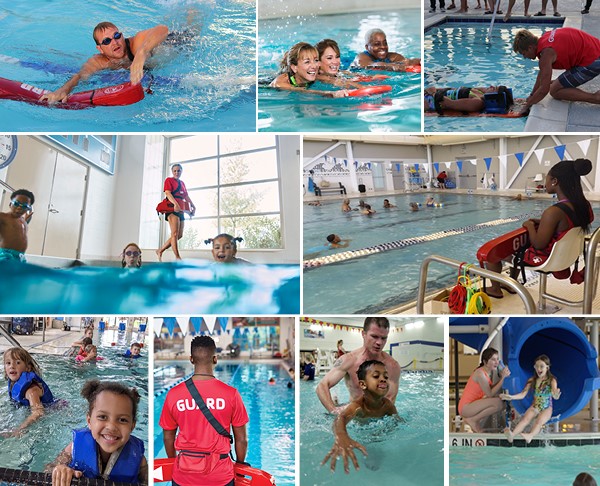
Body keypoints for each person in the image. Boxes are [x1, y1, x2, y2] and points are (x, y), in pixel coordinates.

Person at [485, 159, 594, 298]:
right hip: (567, 257)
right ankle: (510, 283)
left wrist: (530, 226)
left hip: (547, 259)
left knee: (493, 252)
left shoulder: (553, 212)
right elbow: (569, 225)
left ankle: (495, 289)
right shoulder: (584, 205)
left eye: (547, 179)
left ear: (554, 181)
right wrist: (545, 224)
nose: (545, 182)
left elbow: (538, 243)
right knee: (518, 247)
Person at [159, 336, 249, 486]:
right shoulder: (231, 394)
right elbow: (241, 440)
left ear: (191, 359)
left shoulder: (173, 394)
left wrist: (174, 462)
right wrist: (240, 464)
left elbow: (168, 437)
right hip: (220, 477)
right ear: (215, 359)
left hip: (184, 476)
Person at [40, 22, 169, 104]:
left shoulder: (135, 45)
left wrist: (141, 53)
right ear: (100, 49)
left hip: (178, 44)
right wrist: (63, 90)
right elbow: (80, 76)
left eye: (117, 36)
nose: (115, 42)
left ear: (122, 36)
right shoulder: (99, 61)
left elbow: (163, 29)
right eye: (107, 41)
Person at [49, 380, 147, 485]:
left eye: (122, 420)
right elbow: (49, 470)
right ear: (89, 421)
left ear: (132, 426)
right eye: (102, 417)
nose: (111, 427)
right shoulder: (73, 449)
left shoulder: (139, 459)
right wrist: (60, 470)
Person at [321, 360, 398, 473]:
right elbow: (340, 419)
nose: (383, 379)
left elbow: (396, 422)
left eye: (386, 377)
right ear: (362, 384)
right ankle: (336, 403)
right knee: (334, 414)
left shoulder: (388, 406)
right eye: (376, 376)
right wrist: (342, 436)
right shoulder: (358, 407)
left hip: (368, 423)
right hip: (351, 415)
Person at [316, 317, 401, 414]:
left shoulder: (392, 366)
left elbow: (390, 399)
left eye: (384, 338)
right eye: (374, 336)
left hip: (378, 418)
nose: (379, 343)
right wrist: (333, 410)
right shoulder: (349, 360)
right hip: (355, 418)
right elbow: (322, 386)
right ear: (363, 334)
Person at [513, 28, 600, 109]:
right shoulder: (545, 38)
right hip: (596, 49)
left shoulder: (546, 53)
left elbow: (544, 90)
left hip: (594, 60)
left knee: (555, 90)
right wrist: (531, 96)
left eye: (523, 53)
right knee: (550, 82)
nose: (525, 57)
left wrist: (526, 107)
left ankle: (595, 98)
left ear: (530, 48)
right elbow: (541, 76)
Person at [500, 354, 560, 443]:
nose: (539, 369)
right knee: (525, 419)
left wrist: (555, 395)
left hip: (547, 408)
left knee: (539, 422)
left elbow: (554, 392)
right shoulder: (532, 380)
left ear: (547, 367)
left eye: (541, 366)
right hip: (535, 406)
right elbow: (523, 394)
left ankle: (530, 435)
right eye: (537, 366)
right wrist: (511, 397)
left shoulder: (551, 380)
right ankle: (512, 435)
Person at [3, 347, 55, 437]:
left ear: (28, 367)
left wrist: (20, 429)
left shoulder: (31, 390)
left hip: (55, 409)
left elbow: (39, 412)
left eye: (18, 362)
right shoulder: (13, 383)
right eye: (8, 363)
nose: (12, 366)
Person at [457, 347, 510, 433]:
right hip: (466, 408)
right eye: (493, 359)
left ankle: (473, 420)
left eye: (497, 359)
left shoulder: (486, 373)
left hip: (471, 405)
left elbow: (491, 388)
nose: (496, 362)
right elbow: (489, 394)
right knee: (499, 403)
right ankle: (473, 420)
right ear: (485, 362)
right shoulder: (480, 374)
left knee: (502, 403)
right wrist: (503, 378)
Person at [270, 42, 351, 98]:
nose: (314, 66)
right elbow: (301, 91)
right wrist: (331, 93)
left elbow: (334, 80)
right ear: (294, 67)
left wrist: (360, 87)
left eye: (316, 60)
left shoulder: (313, 75)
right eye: (307, 62)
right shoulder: (279, 82)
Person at [156, 164, 196, 261]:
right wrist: (175, 204)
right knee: (174, 233)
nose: (177, 172)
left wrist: (193, 205)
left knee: (179, 235)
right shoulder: (169, 180)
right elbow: (167, 193)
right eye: (175, 171)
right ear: (172, 171)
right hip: (172, 208)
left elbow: (186, 196)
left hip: (180, 209)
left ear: (181, 171)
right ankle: (177, 257)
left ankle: (160, 250)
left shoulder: (182, 183)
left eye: (178, 171)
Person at [351, 29, 421, 71]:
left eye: (385, 43)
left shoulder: (393, 57)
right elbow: (369, 65)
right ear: (367, 47)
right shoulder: (361, 57)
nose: (383, 47)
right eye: (377, 44)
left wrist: (415, 61)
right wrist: (389, 66)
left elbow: (408, 62)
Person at [0, 189, 34, 263]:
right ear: (10, 204)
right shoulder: (3, 217)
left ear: (28, 208)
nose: (19, 208)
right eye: (16, 203)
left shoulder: (23, 221)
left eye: (24, 206)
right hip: (5, 255)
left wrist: (26, 220)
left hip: (20, 257)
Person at [424, 86, 512, 115]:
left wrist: (433, 93)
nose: (491, 86)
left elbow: (449, 104)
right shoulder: (480, 91)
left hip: (433, 101)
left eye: (494, 89)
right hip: (437, 93)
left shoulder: (478, 103)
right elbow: (456, 89)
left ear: (494, 97)